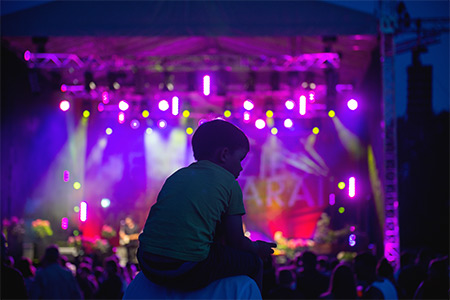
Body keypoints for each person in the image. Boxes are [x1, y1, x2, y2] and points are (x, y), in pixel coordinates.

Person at [137, 119, 276, 292]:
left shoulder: (177, 176)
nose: (240, 168)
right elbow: (236, 241)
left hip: (147, 263)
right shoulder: (229, 183)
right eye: (240, 159)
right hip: (186, 268)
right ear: (224, 154)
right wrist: (257, 248)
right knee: (254, 263)